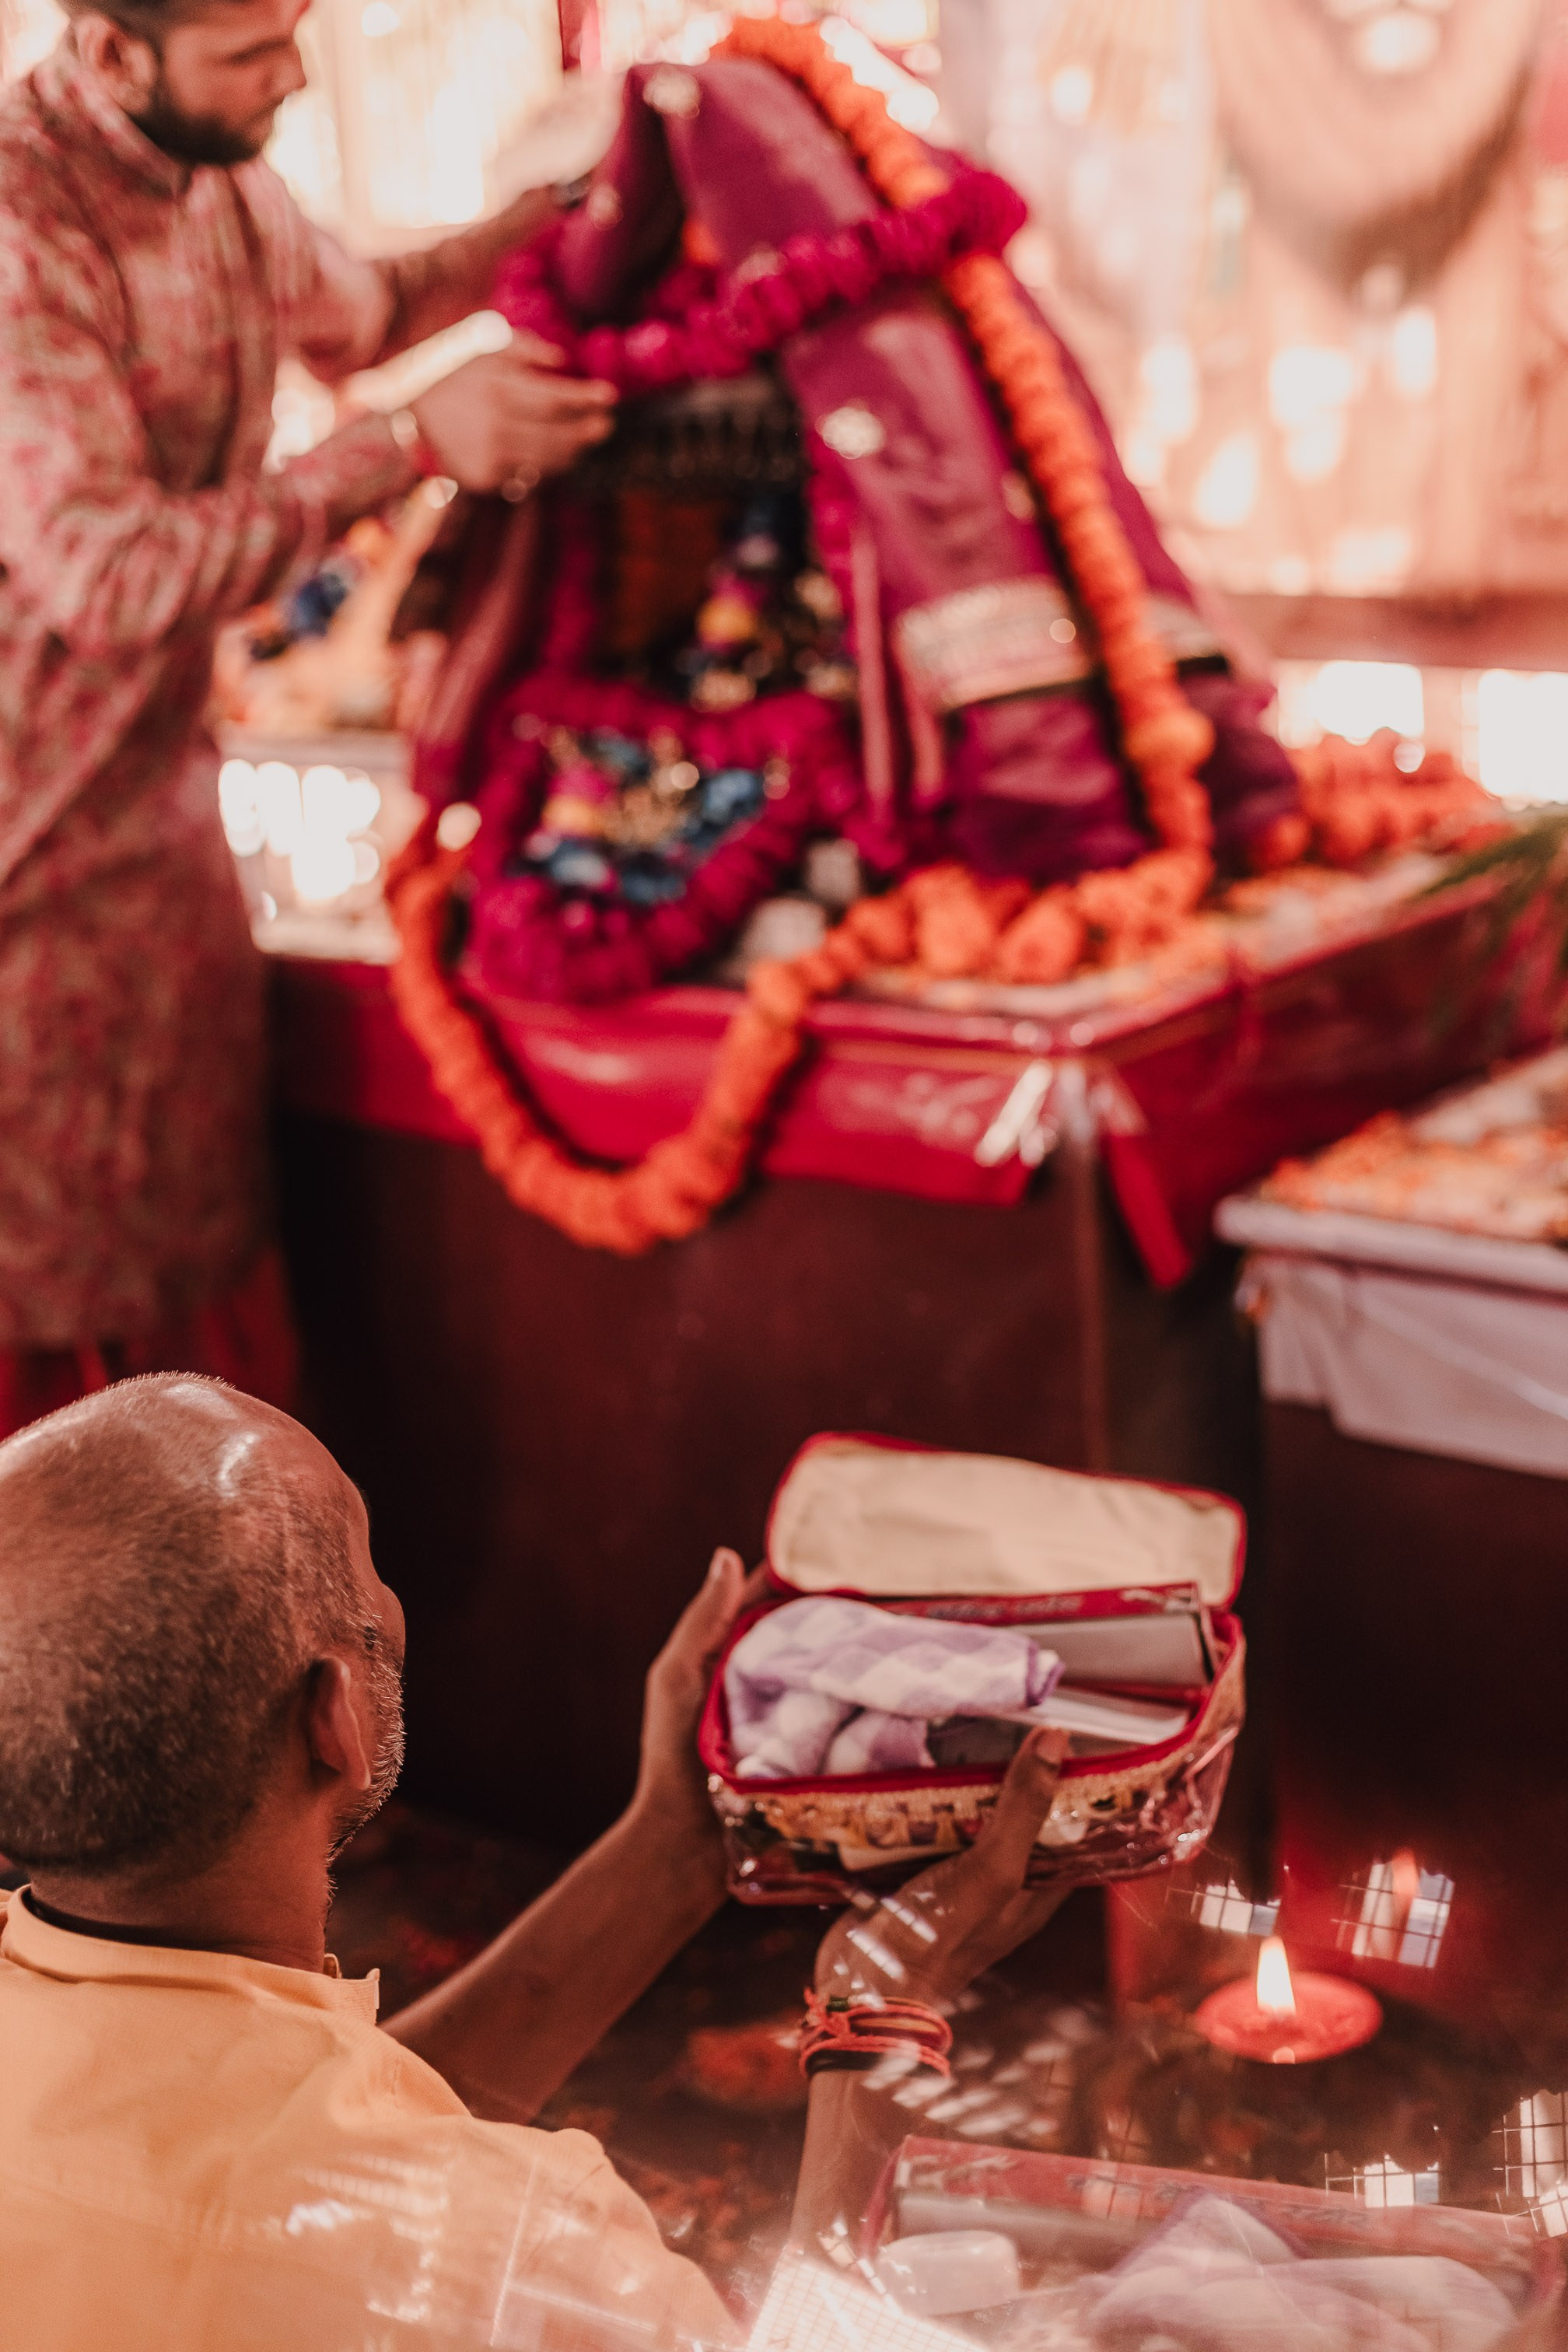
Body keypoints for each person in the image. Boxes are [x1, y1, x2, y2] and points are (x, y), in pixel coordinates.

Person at [0, 1374, 1072, 2349]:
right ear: (335, 1718)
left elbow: (286, 2135)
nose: (393, 1608)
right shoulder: (507, 2255)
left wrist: (673, 1849)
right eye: (366, 1570)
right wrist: (880, 2012)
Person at [0, 0, 618, 1441]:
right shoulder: (25, 228)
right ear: (112, 51)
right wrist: (404, 445)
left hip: (157, 846)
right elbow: (111, 570)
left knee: (190, 1313)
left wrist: (558, 210)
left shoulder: (220, 175)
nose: (289, 78)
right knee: (52, 1385)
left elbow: (366, 317)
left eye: (295, 33)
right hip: (26, 875)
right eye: (249, 53)